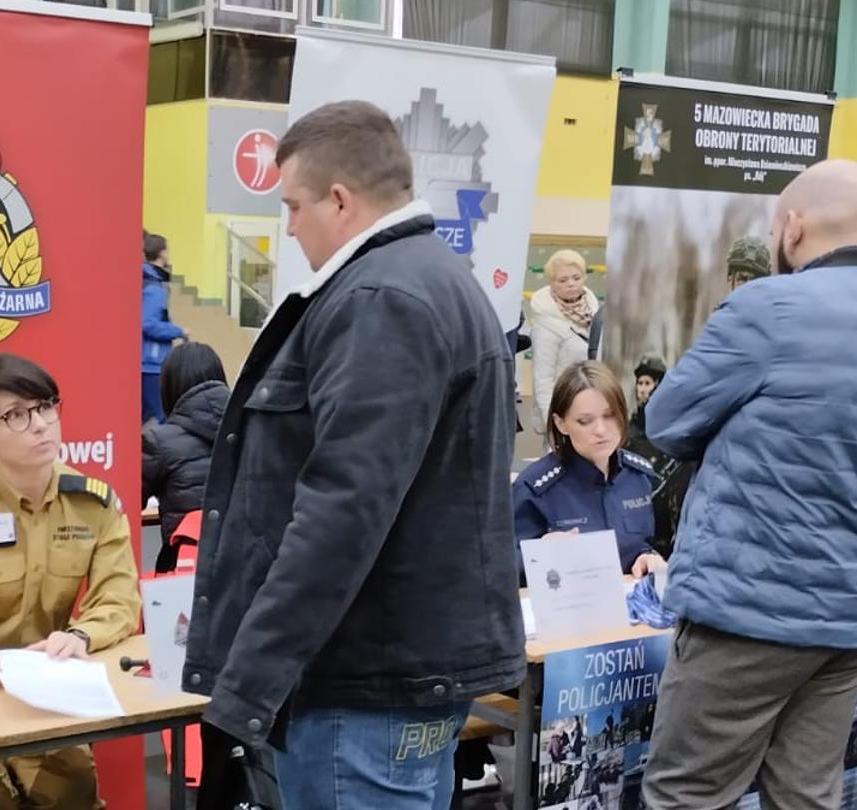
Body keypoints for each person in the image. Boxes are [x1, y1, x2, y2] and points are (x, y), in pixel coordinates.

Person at [180, 100, 521, 810]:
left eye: (294, 206)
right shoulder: (432, 280)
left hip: (361, 681)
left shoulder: (380, 299)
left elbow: (342, 510)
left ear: (340, 199)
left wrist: (247, 683)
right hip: (394, 671)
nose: (290, 225)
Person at [641, 160, 857, 809]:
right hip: (848, 614)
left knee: (688, 795)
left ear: (792, 226)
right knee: (807, 796)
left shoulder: (770, 307)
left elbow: (666, 420)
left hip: (745, 608)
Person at [0, 354, 139, 810]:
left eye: (45, 406)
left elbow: (118, 599)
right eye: (16, 415)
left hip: (50, 690)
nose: (40, 425)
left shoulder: (92, 504)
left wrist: (78, 636)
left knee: (72, 790)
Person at [512, 361, 667, 577]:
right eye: (585, 421)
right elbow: (498, 571)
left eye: (610, 415)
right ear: (561, 423)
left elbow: (648, 543)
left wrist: (647, 556)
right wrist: (539, 555)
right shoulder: (535, 489)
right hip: (564, 606)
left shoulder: (640, 477)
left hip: (632, 605)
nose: (601, 430)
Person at [140, 341, 228, 572]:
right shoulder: (250, 429)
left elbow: (124, 502)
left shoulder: (159, 442)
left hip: (184, 571)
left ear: (169, 388)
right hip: (243, 572)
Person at [528, 249, 599, 443]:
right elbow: (542, 379)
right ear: (551, 283)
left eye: (576, 277)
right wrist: (553, 426)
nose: (571, 284)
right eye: (563, 280)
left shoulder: (595, 314)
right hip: (562, 411)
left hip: (592, 407)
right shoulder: (545, 324)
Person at [142, 231, 186, 425]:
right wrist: (179, 331)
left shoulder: (146, 281)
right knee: (164, 417)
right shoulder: (154, 287)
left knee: (139, 418)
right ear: (163, 253)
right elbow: (148, 323)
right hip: (152, 363)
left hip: (145, 362)